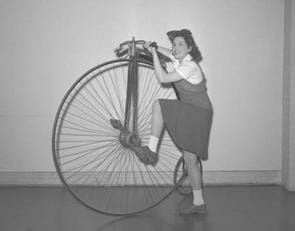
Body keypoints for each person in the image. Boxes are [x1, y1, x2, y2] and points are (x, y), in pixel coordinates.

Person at [132, 29, 213, 215]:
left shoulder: (190, 66)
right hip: (191, 109)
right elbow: (166, 52)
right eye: (174, 44)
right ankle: (199, 204)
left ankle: (151, 150)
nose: (175, 48)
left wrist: (152, 53)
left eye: (180, 44)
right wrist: (151, 46)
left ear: (189, 48)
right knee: (190, 158)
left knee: (159, 106)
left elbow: (163, 78)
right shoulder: (179, 59)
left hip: (199, 112)